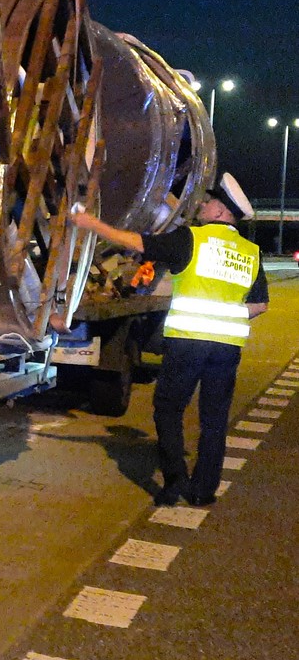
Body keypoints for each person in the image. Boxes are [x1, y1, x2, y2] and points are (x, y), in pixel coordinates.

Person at [71, 173, 267, 506]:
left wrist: (92, 224)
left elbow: (139, 243)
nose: (203, 205)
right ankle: (203, 491)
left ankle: (175, 481)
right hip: (227, 348)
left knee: (168, 409)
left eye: (210, 202)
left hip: (188, 342)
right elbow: (259, 305)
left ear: (221, 212)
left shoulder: (192, 238)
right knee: (214, 419)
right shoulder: (251, 252)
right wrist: (226, 316)